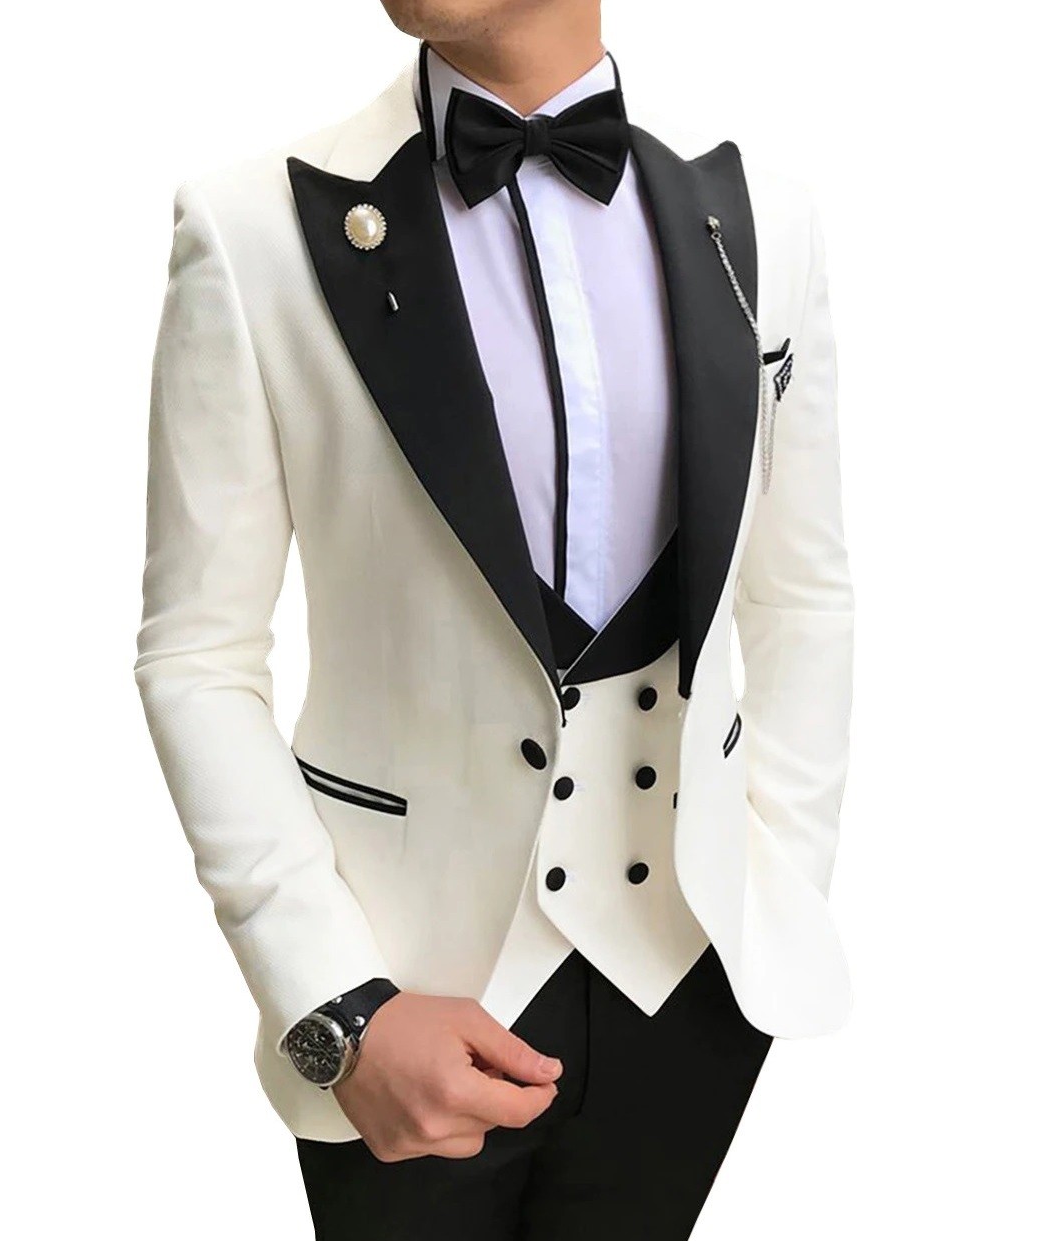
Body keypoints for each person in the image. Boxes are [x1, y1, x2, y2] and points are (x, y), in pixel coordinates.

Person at [133, 1, 854, 1236]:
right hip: (404, 1002)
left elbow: (801, 591)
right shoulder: (252, 227)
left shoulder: (758, 214)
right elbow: (197, 654)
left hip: (689, 981)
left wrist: (774, 884)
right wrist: (337, 1004)